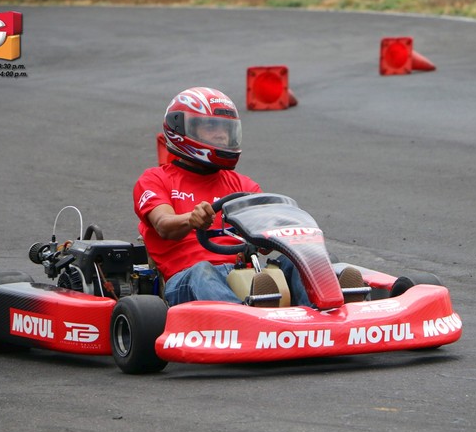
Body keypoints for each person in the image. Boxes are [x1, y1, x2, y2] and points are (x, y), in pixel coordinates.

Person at [133, 87, 362, 307]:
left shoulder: (243, 185)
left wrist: (279, 232)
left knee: (298, 262)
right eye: (211, 127)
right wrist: (190, 220)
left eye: (225, 129)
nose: (221, 135)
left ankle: (328, 310)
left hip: (246, 274)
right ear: (181, 129)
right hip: (185, 280)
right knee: (203, 271)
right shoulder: (156, 179)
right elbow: (163, 225)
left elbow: (265, 245)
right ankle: (248, 316)